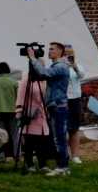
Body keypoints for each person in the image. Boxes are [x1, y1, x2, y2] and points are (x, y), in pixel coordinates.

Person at [30, 44, 74, 175]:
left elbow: (44, 73)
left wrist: (33, 58)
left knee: (59, 138)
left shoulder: (60, 66)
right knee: (58, 137)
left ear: (60, 52)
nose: (49, 52)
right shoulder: (57, 66)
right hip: (56, 104)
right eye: (49, 49)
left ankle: (63, 167)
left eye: (52, 49)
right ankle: (63, 166)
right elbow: (42, 75)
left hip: (58, 105)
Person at [18, 71, 53, 174]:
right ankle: (30, 164)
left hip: (42, 113)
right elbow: (20, 97)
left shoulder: (45, 81)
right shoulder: (26, 81)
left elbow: (47, 96)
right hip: (30, 114)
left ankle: (43, 164)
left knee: (42, 141)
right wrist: (20, 112)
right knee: (29, 141)